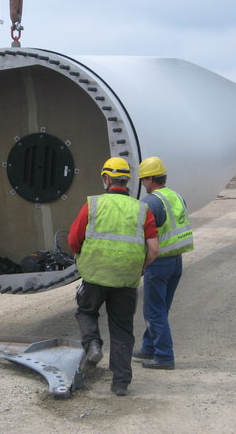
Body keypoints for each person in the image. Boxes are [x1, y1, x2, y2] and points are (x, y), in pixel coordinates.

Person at [68, 157, 159, 396]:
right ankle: (120, 383)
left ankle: (93, 345)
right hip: (126, 280)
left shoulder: (93, 205)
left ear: (106, 179)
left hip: (95, 276)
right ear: (127, 181)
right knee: (121, 329)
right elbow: (154, 249)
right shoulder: (142, 209)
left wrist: (83, 255)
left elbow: (73, 241)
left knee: (86, 312)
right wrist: (140, 267)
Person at [133, 156, 194, 370]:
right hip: (175, 260)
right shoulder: (176, 196)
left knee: (154, 311)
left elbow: (143, 236)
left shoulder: (150, 202)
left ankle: (164, 356)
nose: (143, 184)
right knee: (160, 308)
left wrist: (141, 264)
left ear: (150, 179)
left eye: (143, 180)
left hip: (158, 262)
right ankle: (149, 347)